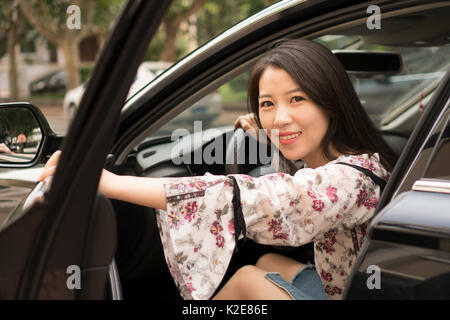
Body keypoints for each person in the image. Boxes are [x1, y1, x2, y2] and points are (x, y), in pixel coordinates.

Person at [38, 39, 397, 300]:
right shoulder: (349, 156)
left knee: (246, 281)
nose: (281, 118)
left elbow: (247, 197)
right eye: (268, 103)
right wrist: (262, 126)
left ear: (330, 100)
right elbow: (289, 149)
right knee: (268, 260)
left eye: (298, 98)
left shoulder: (350, 181)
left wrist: (108, 182)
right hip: (343, 287)